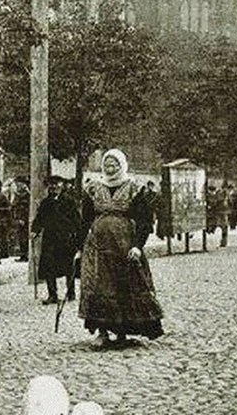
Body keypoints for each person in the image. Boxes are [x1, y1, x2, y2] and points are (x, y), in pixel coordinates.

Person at [78, 149, 163, 349]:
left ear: (122, 165)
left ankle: (123, 332)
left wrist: (137, 246)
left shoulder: (134, 188)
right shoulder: (92, 188)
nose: (110, 168)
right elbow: (85, 219)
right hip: (98, 247)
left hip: (124, 246)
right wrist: (80, 245)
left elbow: (144, 221)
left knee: (123, 285)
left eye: (114, 165)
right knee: (99, 286)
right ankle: (102, 331)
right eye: (107, 165)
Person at [32, 175, 81, 304]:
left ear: (61, 186)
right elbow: (39, 219)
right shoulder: (45, 203)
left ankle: (71, 293)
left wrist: (77, 237)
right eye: (51, 185)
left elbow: (77, 220)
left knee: (68, 267)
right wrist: (34, 230)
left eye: (57, 185)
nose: (54, 187)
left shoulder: (69, 201)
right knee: (49, 266)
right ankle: (52, 295)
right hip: (50, 239)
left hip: (65, 239)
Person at [12, 177, 31, 262]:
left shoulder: (27, 195)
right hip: (18, 219)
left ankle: (26, 255)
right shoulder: (18, 194)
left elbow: (26, 208)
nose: (17, 186)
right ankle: (23, 255)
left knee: (24, 238)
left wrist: (23, 218)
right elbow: (14, 206)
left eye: (19, 184)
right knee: (20, 237)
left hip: (25, 220)